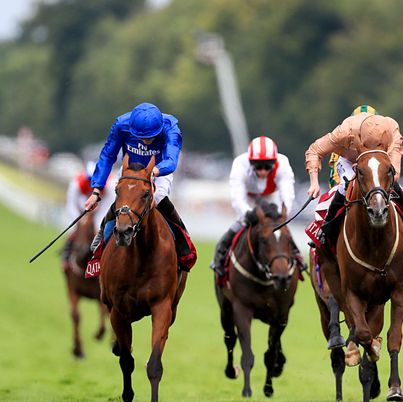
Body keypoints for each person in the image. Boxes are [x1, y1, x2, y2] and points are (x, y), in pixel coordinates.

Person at [84, 102, 196, 274]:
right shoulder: (121, 125)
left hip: (159, 170)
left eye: (151, 137)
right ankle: (102, 240)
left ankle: (182, 240)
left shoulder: (171, 127)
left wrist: (154, 171)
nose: (146, 141)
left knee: (158, 197)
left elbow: (171, 160)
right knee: (125, 197)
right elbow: (108, 156)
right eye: (142, 137)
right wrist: (96, 191)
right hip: (130, 171)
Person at [305, 107, 403, 247]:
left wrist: (389, 176)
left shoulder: (390, 128)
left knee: (392, 182)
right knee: (344, 187)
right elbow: (315, 150)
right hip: (349, 161)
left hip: (378, 162)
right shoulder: (345, 131)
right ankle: (324, 229)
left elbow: (395, 169)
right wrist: (314, 182)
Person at [211, 135, 306, 277]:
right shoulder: (240, 164)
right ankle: (219, 255)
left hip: (271, 195)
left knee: (279, 227)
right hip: (249, 197)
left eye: (267, 166)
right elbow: (237, 197)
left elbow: (287, 194)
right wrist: (247, 214)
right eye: (258, 166)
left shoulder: (283, 163)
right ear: (251, 162)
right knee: (241, 223)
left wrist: (282, 214)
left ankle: (297, 256)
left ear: (274, 163)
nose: (262, 171)